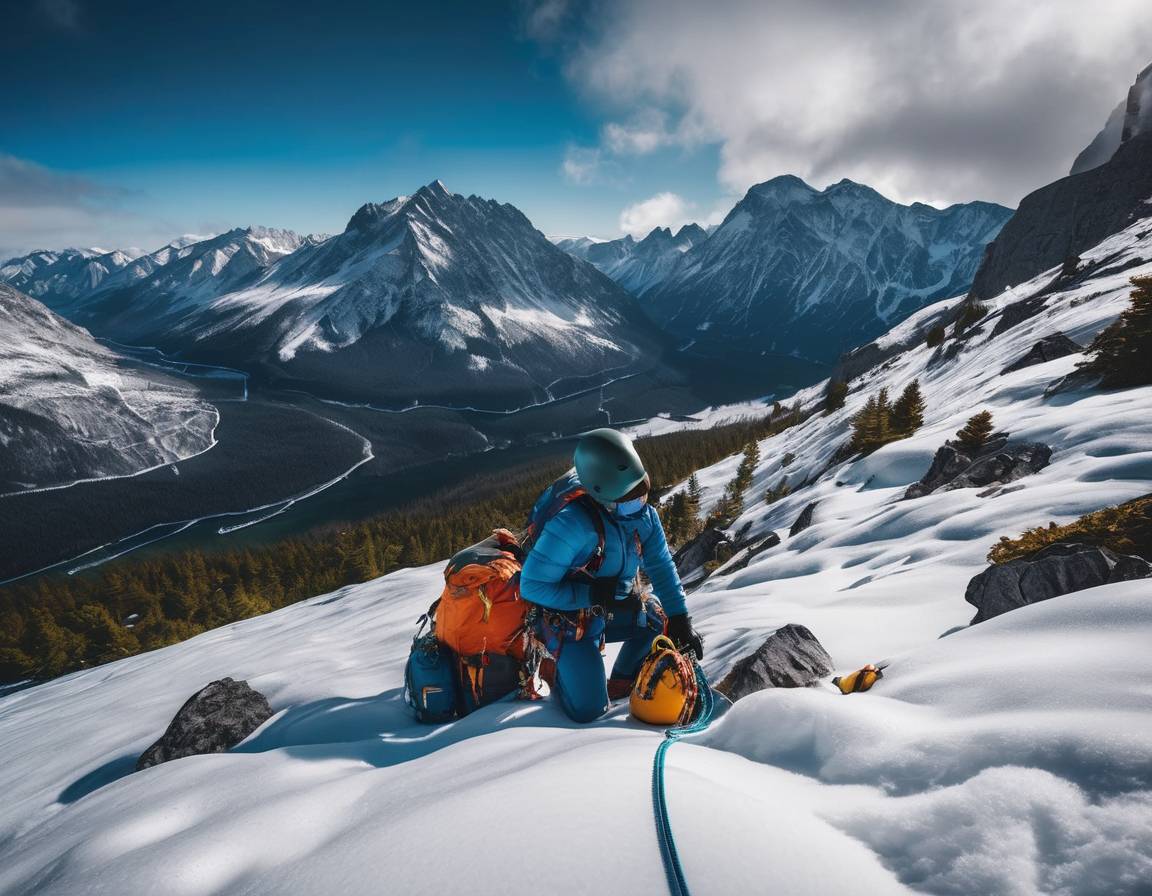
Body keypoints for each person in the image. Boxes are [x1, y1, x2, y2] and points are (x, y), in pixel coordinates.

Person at [520, 428, 703, 723]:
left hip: (609, 607)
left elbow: (660, 565)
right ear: (602, 496)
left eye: (643, 489)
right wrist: (591, 595)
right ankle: (559, 670)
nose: (640, 501)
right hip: (569, 619)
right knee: (588, 710)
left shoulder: (644, 516)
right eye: (629, 498)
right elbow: (531, 586)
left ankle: (620, 683)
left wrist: (680, 618)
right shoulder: (572, 526)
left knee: (658, 619)